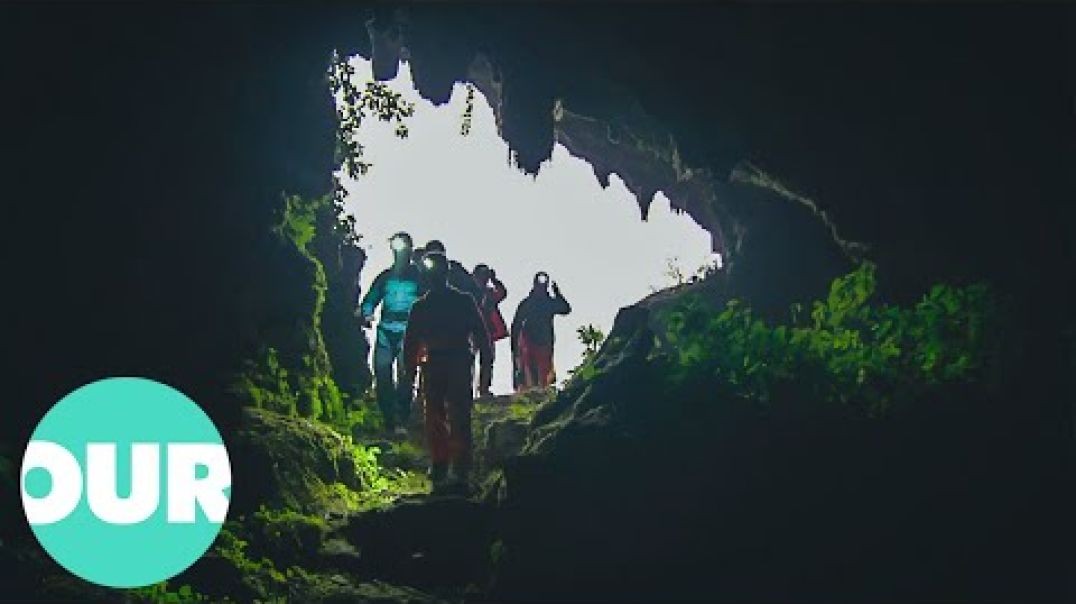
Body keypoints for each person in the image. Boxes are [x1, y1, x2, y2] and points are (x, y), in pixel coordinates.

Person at [404, 251, 493, 492]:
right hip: (437, 361)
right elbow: (410, 342)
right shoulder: (422, 306)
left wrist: (485, 371)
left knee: (458, 414)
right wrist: (409, 372)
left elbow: (482, 336)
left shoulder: (460, 301)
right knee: (436, 414)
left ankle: (459, 466)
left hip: (457, 361)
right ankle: (443, 463)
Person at [357, 232, 422, 436]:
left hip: (409, 333)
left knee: (406, 376)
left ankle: (402, 418)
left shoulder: (419, 278)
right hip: (385, 331)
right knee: (382, 373)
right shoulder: (385, 277)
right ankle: (389, 420)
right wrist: (366, 314)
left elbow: (429, 303)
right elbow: (370, 299)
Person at [511, 272, 571, 391]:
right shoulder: (528, 303)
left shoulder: (549, 303)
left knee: (544, 372)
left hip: (545, 341)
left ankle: (542, 392)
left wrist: (558, 294)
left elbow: (566, 309)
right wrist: (514, 345)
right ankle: (529, 392)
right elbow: (516, 324)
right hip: (529, 342)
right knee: (529, 370)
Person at [472, 264, 508, 397]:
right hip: (471, 331)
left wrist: (495, 280)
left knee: (487, 360)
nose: (483, 278)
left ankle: (484, 389)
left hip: (488, 332)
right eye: (481, 275)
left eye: (486, 276)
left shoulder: (490, 293)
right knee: (468, 360)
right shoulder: (470, 292)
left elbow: (502, 293)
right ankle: (467, 388)